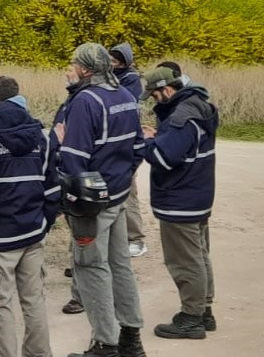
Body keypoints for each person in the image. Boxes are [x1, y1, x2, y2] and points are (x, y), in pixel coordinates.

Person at [53, 44, 146, 357]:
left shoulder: (85, 101)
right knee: (120, 265)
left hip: (93, 203)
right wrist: (119, 180)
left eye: (74, 63)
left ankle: (105, 344)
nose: (70, 67)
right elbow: (137, 148)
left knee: (91, 267)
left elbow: (75, 158)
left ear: (87, 69)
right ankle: (131, 339)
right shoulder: (125, 96)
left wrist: (71, 194)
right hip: (118, 195)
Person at [0, 77, 59, 357]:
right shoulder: (41, 136)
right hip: (32, 233)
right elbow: (53, 187)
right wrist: (43, 223)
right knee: (34, 301)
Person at [140, 65, 219, 339]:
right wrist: (160, 136)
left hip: (180, 199)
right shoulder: (199, 105)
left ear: (167, 89)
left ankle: (191, 319)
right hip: (198, 195)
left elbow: (164, 158)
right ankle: (203, 311)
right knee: (199, 255)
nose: (153, 100)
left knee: (184, 262)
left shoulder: (183, 116)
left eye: (154, 94)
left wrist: (148, 141)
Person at [111, 43, 148, 259]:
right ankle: (119, 238)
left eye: (116, 62)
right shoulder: (112, 77)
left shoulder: (130, 80)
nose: (112, 65)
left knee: (129, 193)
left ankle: (136, 239)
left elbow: (128, 108)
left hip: (125, 142)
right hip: (114, 141)